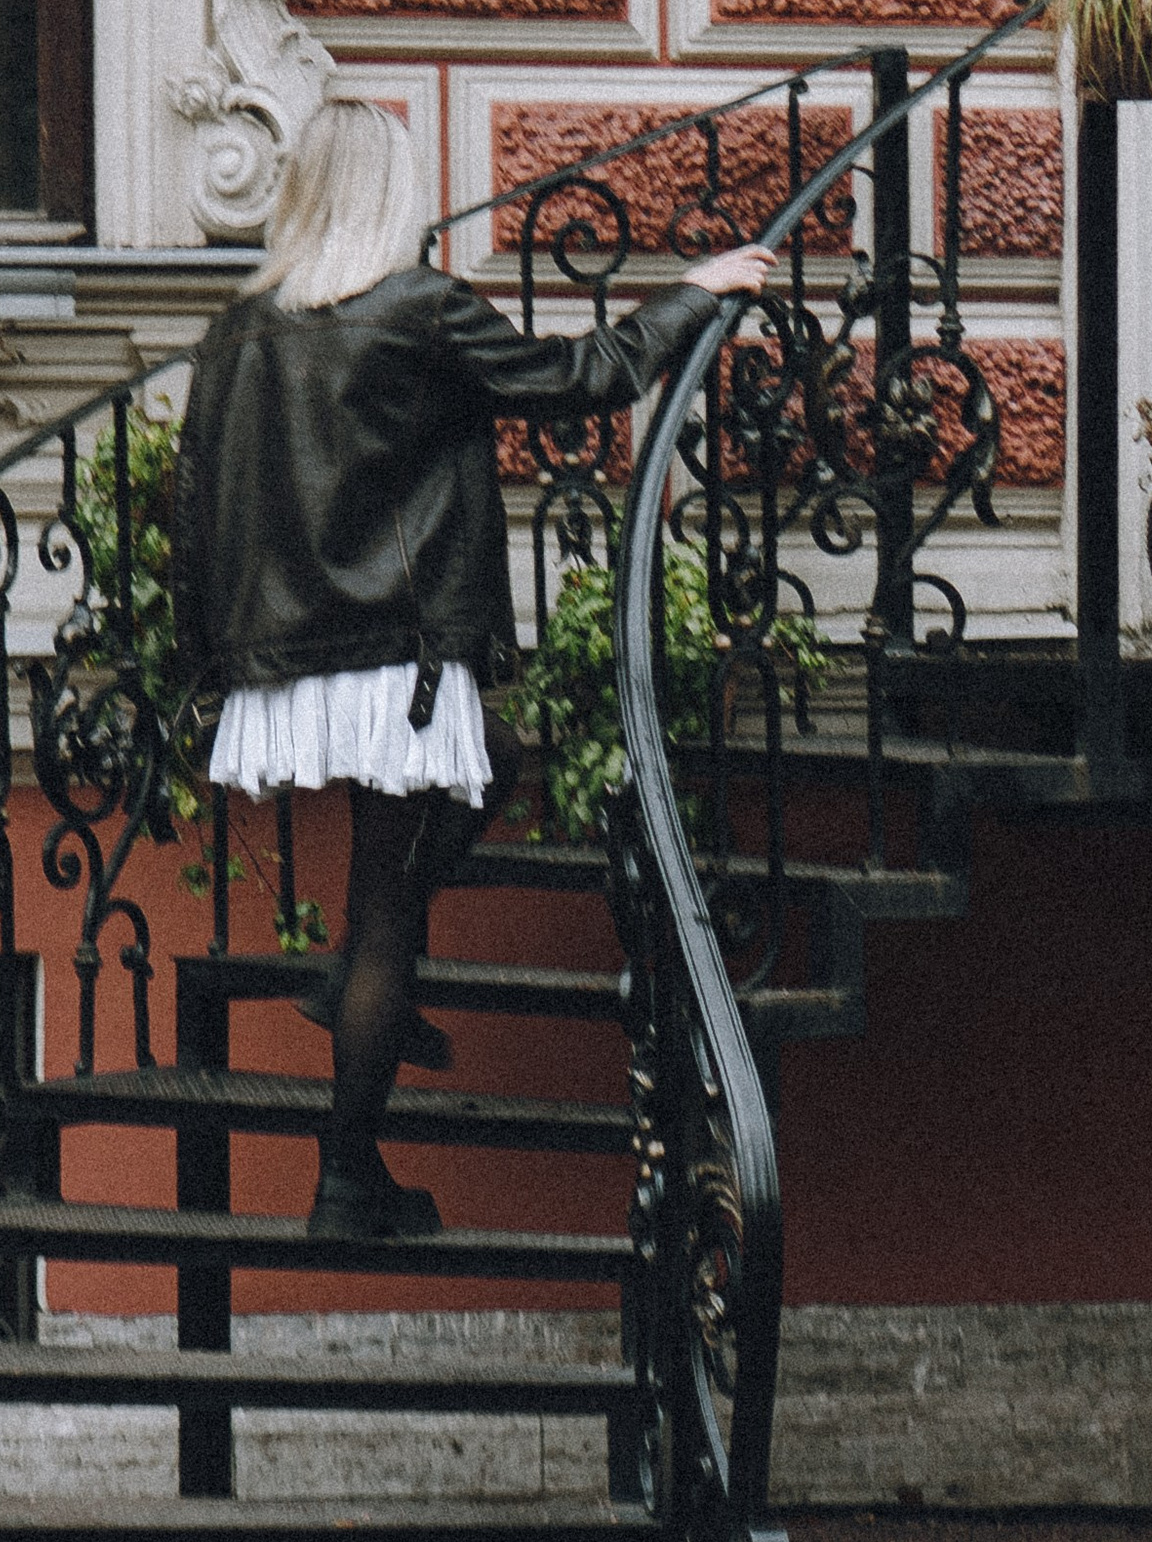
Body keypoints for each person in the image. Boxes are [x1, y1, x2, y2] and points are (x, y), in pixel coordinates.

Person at [174, 96, 774, 1241]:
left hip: (287, 649)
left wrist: (214, 653)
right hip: (389, 647)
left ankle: (346, 975)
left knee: (486, 770)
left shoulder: (236, 331)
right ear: (389, 197)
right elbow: (579, 380)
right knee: (389, 906)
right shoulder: (415, 310)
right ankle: (347, 1178)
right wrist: (696, 294)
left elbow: (191, 503)